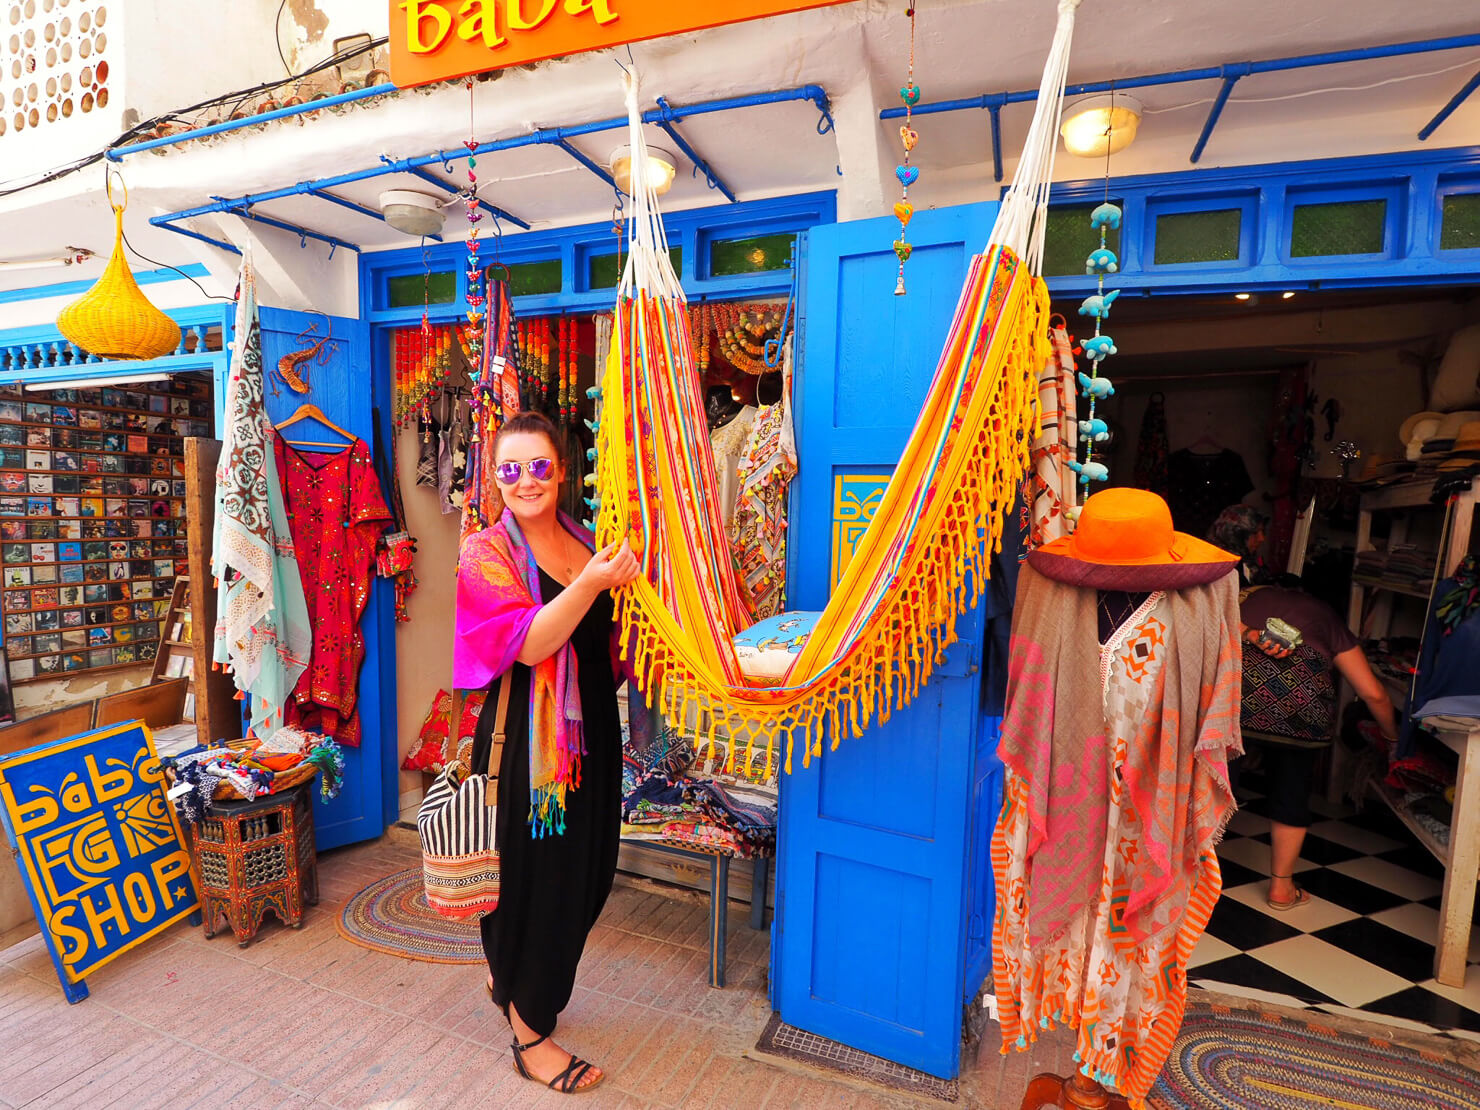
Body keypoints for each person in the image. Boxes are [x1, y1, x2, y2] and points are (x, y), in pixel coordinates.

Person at [452, 411, 639, 1095]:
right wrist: (593, 582)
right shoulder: (485, 553)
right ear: (494, 478)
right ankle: (531, 1032)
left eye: (538, 467)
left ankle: (513, 977)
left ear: (562, 471)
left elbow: (606, 643)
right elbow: (528, 643)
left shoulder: (583, 538)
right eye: (510, 469)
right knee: (539, 888)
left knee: (588, 877)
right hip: (529, 758)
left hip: (588, 740)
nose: (525, 481)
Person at [1235, 581, 1400, 910]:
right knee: (1291, 792)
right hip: (1302, 716)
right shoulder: (1326, 616)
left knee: (1210, 788)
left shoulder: (1239, 603)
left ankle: (1188, 880)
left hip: (1237, 708)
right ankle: (1281, 890)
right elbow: (1374, 694)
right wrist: (1393, 740)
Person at [1208, 503, 1273, 587]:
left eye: (1262, 531)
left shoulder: (1249, 562)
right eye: (1254, 532)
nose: (1261, 538)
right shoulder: (1220, 567)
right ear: (1236, 534)